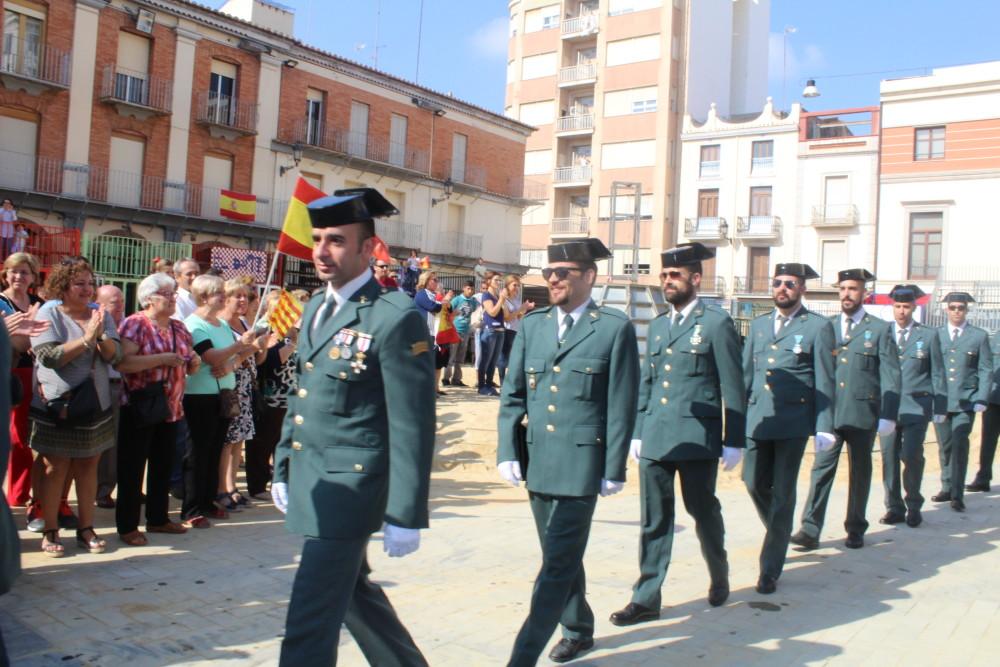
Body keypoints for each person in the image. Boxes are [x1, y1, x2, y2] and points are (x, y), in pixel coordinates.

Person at [272, 188, 434, 666]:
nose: (321, 251)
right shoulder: (312, 311)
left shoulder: (395, 315)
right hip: (315, 479)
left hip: (353, 486)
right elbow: (301, 395)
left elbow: (412, 423)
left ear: (368, 249)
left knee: (309, 618)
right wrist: (284, 464)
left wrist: (406, 510)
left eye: (337, 241)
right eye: (317, 239)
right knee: (354, 596)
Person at [497, 238, 639, 666]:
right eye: (548, 273)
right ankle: (578, 628)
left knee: (557, 561)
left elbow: (621, 402)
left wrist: (613, 467)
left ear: (588, 276)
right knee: (559, 555)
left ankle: (525, 653)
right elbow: (513, 394)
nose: (553, 279)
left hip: (582, 464)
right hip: (538, 460)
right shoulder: (534, 324)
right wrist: (507, 448)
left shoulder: (614, 327)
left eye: (563, 273)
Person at [610, 243, 745, 628]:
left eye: (676, 276)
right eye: (665, 276)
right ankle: (646, 597)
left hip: (697, 436)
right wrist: (637, 432)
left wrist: (734, 439)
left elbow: (733, 388)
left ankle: (719, 573)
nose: (668, 282)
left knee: (702, 511)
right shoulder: (657, 326)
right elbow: (647, 383)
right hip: (655, 434)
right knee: (654, 519)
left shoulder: (716, 323)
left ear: (695, 279)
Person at [742, 263, 835, 595]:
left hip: (793, 424)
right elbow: (745, 374)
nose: (782, 288)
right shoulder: (759, 325)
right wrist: (735, 419)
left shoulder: (817, 327)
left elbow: (825, 379)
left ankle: (770, 569)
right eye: (778, 282)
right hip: (758, 419)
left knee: (783, 493)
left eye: (790, 284)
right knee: (752, 481)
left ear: (802, 290)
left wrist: (824, 426)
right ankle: (779, 533)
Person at [792, 269, 900, 551]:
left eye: (853, 289)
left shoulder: (878, 329)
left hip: (863, 413)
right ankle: (810, 529)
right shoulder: (826, 327)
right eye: (842, 289)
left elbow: (891, 374)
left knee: (860, 473)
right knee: (821, 470)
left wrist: (888, 413)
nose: (847, 294)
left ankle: (855, 527)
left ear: (864, 293)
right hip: (829, 413)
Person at [29, 258, 122, 557]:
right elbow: (50, 357)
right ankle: (51, 529)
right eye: (78, 283)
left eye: (89, 283)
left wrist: (100, 336)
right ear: (63, 286)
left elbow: (114, 356)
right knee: (55, 468)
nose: (86, 289)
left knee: (88, 465)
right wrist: (85, 339)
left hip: (96, 403)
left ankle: (86, 527)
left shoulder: (100, 314)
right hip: (59, 404)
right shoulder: (49, 312)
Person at [115, 273, 197, 545]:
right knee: (132, 466)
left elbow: (188, 359)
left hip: (172, 407)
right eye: (167, 293)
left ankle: (158, 518)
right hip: (140, 406)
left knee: (163, 465)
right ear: (148, 298)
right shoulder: (136, 324)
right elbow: (123, 363)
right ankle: (127, 525)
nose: (174, 297)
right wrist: (161, 359)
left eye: (174, 293)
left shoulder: (178, 327)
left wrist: (192, 363)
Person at [181, 274, 254, 528]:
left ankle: (208, 499)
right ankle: (191, 508)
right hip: (199, 396)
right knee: (197, 453)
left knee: (214, 451)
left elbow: (229, 360)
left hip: (223, 395)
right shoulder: (194, 325)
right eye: (218, 293)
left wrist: (250, 347)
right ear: (203, 296)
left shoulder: (221, 325)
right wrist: (238, 348)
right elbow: (211, 356)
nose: (223, 297)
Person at [877, 284, 946, 528]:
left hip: (917, 405)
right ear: (892, 307)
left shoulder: (928, 335)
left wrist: (940, 406)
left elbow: (937, 371)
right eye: (897, 306)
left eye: (906, 306)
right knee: (888, 458)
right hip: (888, 408)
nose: (902, 311)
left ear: (914, 308)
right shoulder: (882, 333)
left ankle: (914, 503)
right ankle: (894, 507)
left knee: (912, 455)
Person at [932, 292, 992, 512]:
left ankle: (957, 494)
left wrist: (982, 397)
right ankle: (946, 486)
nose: (957, 311)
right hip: (941, 401)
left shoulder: (978, 336)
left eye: (961, 308)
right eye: (953, 307)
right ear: (946, 309)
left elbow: (985, 369)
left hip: (966, 401)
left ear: (967, 310)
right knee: (944, 446)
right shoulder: (936, 335)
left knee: (959, 445)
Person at [246, 289, 302, 500]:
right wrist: (291, 342)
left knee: (284, 442)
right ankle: (257, 485)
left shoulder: (289, 329)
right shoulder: (263, 329)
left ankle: (282, 482)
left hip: (289, 394)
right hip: (270, 395)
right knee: (263, 442)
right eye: (281, 307)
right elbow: (270, 362)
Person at [218, 276, 267, 511]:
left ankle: (232, 488)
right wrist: (249, 348)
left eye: (245, 296)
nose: (242, 300)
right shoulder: (221, 325)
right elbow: (228, 361)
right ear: (224, 299)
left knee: (240, 440)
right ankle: (222, 488)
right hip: (229, 387)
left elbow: (258, 359)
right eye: (236, 296)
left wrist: (261, 347)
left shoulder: (245, 324)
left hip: (246, 387)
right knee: (227, 442)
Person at [1, 252, 44, 509]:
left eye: (24, 272)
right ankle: (16, 493)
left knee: (28, 437)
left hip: (34, 374)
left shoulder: (39, 303)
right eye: (14, 271)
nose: (18, 276)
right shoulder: (0, 301)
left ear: (32, 276)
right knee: (15, 436)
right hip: (8, 372)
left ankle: (23, 492)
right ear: (5, 274)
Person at [94, 285, 125, 509]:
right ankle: (100, 490)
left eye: (122, 302)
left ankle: (108, 488)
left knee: (117, 444)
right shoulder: (97, 322)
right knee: (102, 445)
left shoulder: (128, 323)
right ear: (101, 304)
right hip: (100, 386)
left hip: (123, 387)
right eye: (116, 303)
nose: (121, 307)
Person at [967, 326, 1000, 493]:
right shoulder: (996, 336)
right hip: (994, 396)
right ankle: (983, 478)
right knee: (988, 440)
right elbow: (986, 364)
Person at [413, 271, 447, 396]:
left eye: (437, 280)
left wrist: (441, 302)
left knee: (430, 363)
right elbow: (433, 307)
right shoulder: (422, 294)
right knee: (422, 362)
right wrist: (441, 303)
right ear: (426, 281)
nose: (436, 282)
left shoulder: (432, 294)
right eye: (434, 280)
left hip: (431, 333)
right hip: (422, 332)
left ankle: (429, 390)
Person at [498, 274, 534, 384]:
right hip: (507, 330)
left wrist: (525, 309)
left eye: (518, 285)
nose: (517, 287)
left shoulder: (516, 299)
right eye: (514, 285)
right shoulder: (504, 299)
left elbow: (518, 317)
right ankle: (503, 382)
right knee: (504, 357)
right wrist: (521, 309)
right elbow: (507, 318)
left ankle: (510, 381)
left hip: (515, 330)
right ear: (507, 285)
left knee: (514, 357)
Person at [443, 280, 479, 387]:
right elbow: (448, 312)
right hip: (455, 330)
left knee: (460, 358)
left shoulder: (473, 301)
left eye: (472, 289)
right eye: (468, 288)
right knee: (451, 356)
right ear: (463, 288)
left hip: (466, 331)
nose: (470, 290)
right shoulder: (457, 299)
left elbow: (476, 313)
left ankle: (457, 379)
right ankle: (445, 378)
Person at [478, 273, 506, 396]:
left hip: (500, 331)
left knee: (493, 360)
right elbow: (492, 312)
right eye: (496, 280)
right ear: (488, 281)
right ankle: (481, 386)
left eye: (499, 280)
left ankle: (489, 385)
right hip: (490, 330)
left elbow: (505, 315)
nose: (498, 282)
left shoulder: (496, 295)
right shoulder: (486, 295)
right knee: (486, 359)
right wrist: (501, 299)